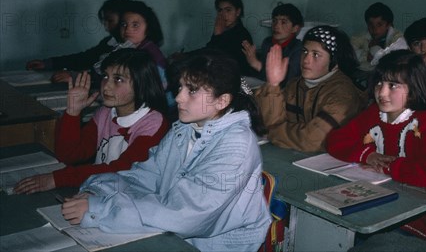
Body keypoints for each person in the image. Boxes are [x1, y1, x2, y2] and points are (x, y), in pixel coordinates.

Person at [60, 50, 272, 252]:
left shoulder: (237, 146)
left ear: (222, 101)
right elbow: (145, 176)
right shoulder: (184, 129)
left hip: (210, 245)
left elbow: (186, 215)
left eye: (192, 91)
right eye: (180, 88)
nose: (179, 97)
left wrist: (100, 210)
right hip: (173, 231)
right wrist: (98, 191)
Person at [326, 50, 426, 240]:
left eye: (393, 85)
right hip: (378, 199)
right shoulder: (374, 113)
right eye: (379, 83)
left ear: (413, 88)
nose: (382, 92)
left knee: (369, 240)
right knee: (334, 227)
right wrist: (366, 154)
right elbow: (334, 140)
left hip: (417, 214)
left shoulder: (424, 122)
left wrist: (391, 166)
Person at [14, 48, 169, 194]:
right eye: (106, 76)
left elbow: (122, 170)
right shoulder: (105, 113)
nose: (106, 86)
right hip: (103, 190)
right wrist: (72, 113)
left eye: (118, 79)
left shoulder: (153, 124)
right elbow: (69, 156)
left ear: (141, 83)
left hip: (132, 196)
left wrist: (57, 179)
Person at [254, 25, 368, 152]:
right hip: (293, 155)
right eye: (304, 51)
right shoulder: (294, 85)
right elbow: (267, 123)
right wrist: (273, 85)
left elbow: (312, 140)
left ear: (334, 63)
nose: (306, 60)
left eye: (316, 54)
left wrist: (272, 132)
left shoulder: (343, 94)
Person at [25, 0, 130, 83]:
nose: (106, 26)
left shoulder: (134, 47)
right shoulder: (110, 42)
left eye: (110, 21)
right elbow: (84, 58)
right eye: (104, 21)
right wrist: (48, 63)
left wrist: (75, 77)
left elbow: (115, 76)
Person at [242, 2, 304, 84]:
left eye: (283, 22)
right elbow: (262, 79)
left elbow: (288, 83)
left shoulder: (298, 49)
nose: (276, 26)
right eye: (274, 21)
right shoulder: (267, 42)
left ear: (295, 28)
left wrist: (256, 64)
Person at [205, 0, 254, 76]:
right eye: (220, 10)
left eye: (228, 10)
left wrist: (217, 35)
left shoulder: (241, 35)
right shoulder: (224, 30)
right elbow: (208, 50)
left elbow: (215, 56)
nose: (223, 15)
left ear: (238, 12)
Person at [351, 2, 407, 71]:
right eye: (370, 24)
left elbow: (393, 60)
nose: (374, 29)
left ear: (388, 25)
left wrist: (374, 49)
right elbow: (349, 53)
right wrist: (366, 55)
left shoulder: (398, 38)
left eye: (379, 25)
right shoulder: (360, 37)